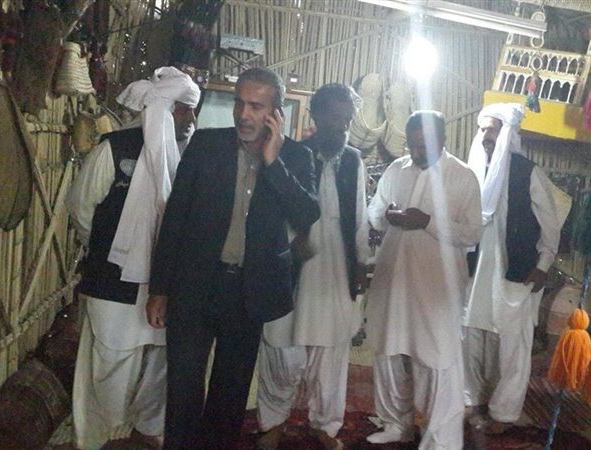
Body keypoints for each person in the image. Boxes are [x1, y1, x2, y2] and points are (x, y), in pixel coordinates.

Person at [146, 67, 320, 449]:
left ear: (276, 113)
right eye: (240, 103)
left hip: (248, 294)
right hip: (194, 288)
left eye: (256, 106)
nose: (244, 114)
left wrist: (274, 162)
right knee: (183, 389)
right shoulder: (207, 145)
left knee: (230, 394)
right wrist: (159, 289)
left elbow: (307, 213)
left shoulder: (296, 156)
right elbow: (175, 218)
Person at [66, 66, 200, 449]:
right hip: (112, 280)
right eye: (184, 109)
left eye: (192, 110)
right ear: (164, 108)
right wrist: (113, 250)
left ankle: (146, 428)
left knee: (159, 363)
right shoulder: (114, 149)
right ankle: (99, 435)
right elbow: (81, 208)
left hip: (165, 284)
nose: (190, 118)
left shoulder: (190, 157)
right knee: (109, 362)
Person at [255, 83, 370, 450]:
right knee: (281, 349)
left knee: (331, 354)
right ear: (316, 116)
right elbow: (272, 212)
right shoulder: (290, 154)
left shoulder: (353, 161)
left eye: (347, 121)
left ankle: (325, 425)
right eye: (335, 120)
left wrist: (360, 266)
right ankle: (273, 423)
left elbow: (360, 219)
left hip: (335, 271)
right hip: (291, 269)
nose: (342, 128)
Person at [364, 110, 482, 449]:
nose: (416, 152)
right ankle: (394, 424)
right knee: (387, 351)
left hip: (436, 288)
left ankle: (441, 440)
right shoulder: (396, 170)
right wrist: (387, 215)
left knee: (437, 360)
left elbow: (472, 234)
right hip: (393, 280)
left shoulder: (462, 177)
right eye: (412, 145)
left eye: (423, 146)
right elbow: (374, 212)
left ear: (442, 140)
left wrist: (427, 222)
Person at [462, 102, 560, 434]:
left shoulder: (528, 172)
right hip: (476, 273)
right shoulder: (474, 172)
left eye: (492, 129)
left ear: (507, 134)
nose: (485, 136)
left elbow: (550, 224)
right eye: (482, 129)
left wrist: (543, 264)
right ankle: (473, 400)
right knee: (472, 336)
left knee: (511, 345)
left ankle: (503, 413)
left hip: (514, 272)